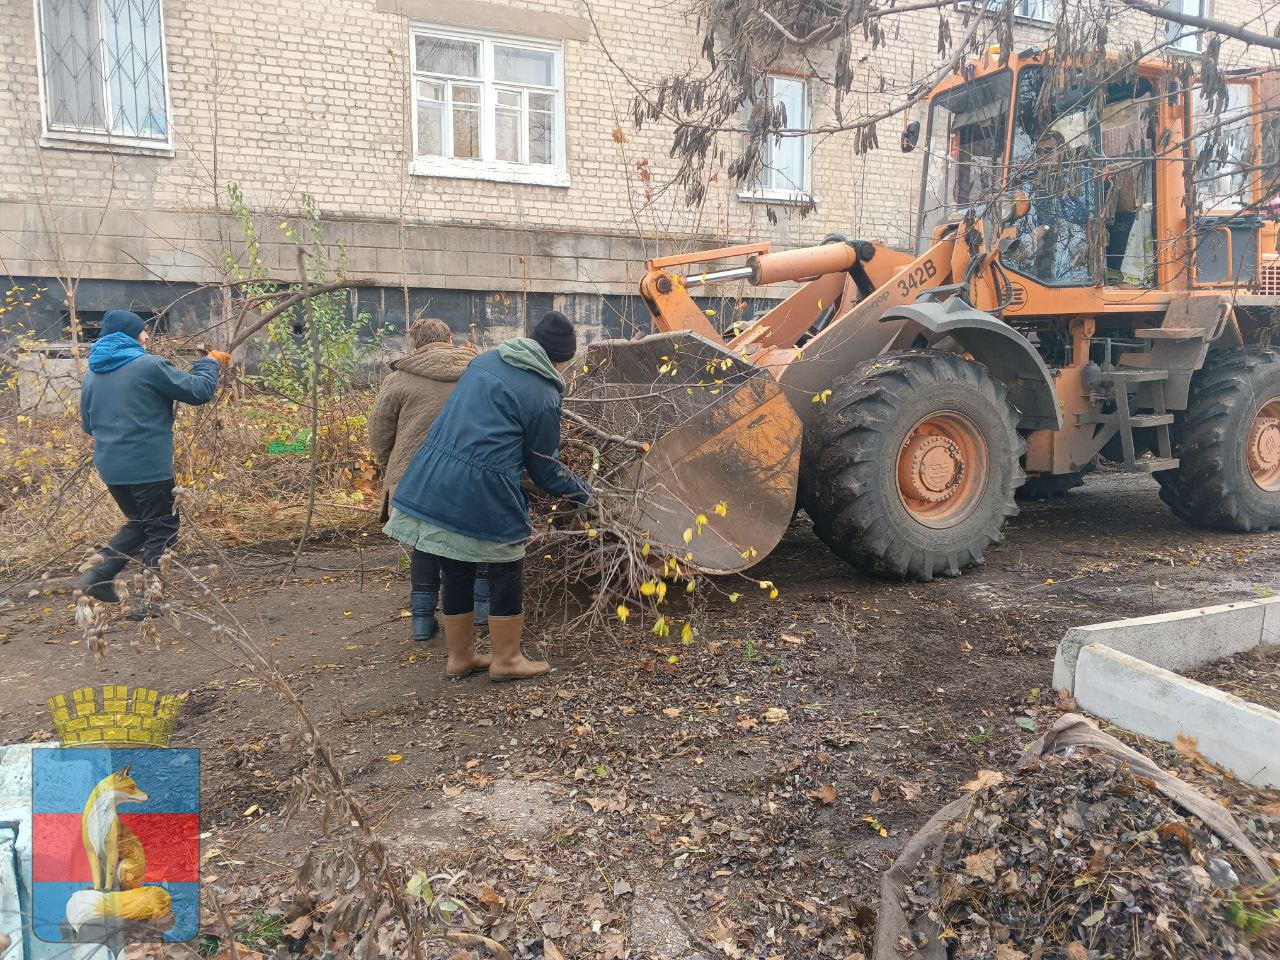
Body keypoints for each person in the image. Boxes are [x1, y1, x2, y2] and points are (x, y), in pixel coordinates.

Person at [384, 311, 590, 682]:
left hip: (432, 475)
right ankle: (507, 659)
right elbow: (544, 468)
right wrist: (586, 493)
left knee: (455, 564)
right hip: (481, 487)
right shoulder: (543, 393)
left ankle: (460, 657)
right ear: (561, 359)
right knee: (506, 564)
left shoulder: (485, 362)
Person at [77, 310, 229, 616]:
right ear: (131, 335)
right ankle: (149, 602)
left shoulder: (92, 373)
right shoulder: (148, 365)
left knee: (141, 524)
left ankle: (98, 575)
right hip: (146, 466)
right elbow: (199, 391)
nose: (146, 336)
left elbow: (88, 425)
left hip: (111, 467)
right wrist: (210, 363)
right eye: (143, 331)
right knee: (162, 529)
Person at [368, 316, 489, 642]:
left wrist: (392, 466)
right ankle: (481, 612)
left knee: (423, 545)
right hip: (469, 474)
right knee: (477, 540)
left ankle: (422, 621)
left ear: (415, 344)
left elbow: (379, 433)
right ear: (450, 339)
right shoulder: (480, 373)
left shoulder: (398, 380)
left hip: (415, 477)